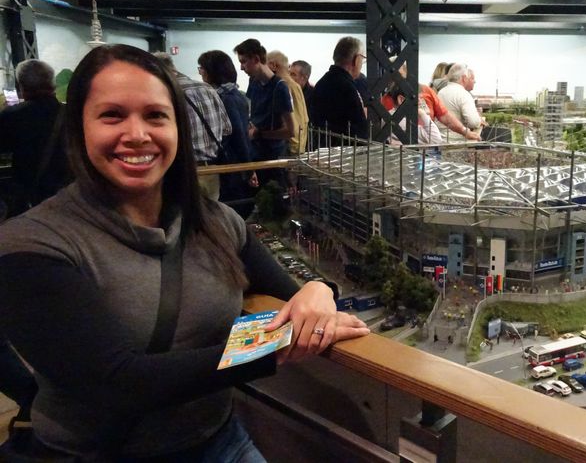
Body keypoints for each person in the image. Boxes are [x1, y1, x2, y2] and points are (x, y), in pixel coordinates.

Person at [0, 44, 369, 460]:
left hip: (219, 440)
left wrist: (320, 290)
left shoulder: (214, 221)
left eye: (156, 115)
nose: (137, 134)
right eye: (112, 115)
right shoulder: (32, 245)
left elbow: (286, 290)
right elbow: (120, 382)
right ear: (78, 127)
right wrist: (278, 343)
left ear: (178, 126)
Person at [153, 52, 231, 200]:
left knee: (182, 212)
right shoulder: (208, 89)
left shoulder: (167, 93)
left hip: (182, 171)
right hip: (212, 170)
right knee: (211, 212)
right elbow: (227, 129)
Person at [0, 59, 69, 216]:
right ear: (53, 84)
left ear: (22, 87)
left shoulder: (11, 116)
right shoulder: (71, 114)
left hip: (28, 199)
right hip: (67, 195)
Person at [197, 50, 258, 205]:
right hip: (234, 162)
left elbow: (238, 135)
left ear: (211, 71)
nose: (200, 72)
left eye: (201, 68)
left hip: (230, 164)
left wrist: (249, 169)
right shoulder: (234, 94)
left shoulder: (225, 98)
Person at [234, 39, 294, 185]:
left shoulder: (280, 88)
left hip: (273, 158)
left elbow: (290, 131)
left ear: (256, 59)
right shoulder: (254, 82)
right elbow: (252, 112)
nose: (241, 68)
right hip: (255, 152)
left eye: (243, 62)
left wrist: (260, 133)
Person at [311, 36, 369, 145]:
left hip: (324, 148)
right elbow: (358, 129)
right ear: (356, 60)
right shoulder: (347, 87)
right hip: (344, 151)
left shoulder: (322, 82)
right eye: (363, 59)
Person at [267, 50, 309, 155]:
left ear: (273, 65)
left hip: (288, 147)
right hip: (298, 146)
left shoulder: (282, 85)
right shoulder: (295, 85)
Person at [437, 63, 484, 134]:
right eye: (468, 78)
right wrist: (479, 120)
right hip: (458, 138)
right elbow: (473, 122)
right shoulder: (464, 94)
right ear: (464, 78)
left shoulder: (440, 92)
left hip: (440, 138)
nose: (474, 81)